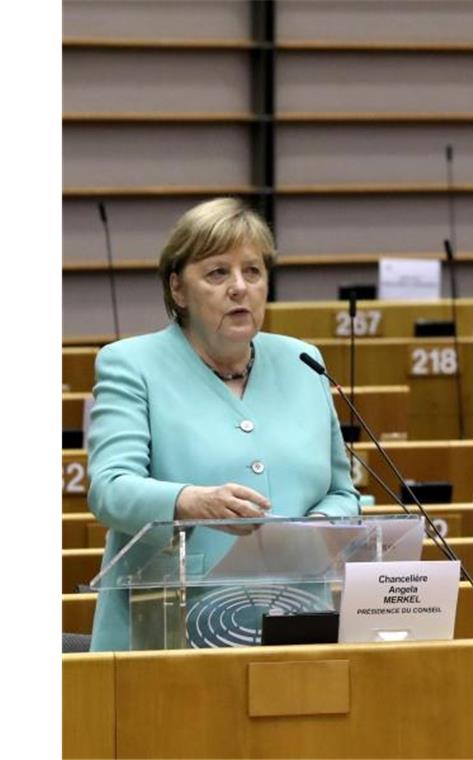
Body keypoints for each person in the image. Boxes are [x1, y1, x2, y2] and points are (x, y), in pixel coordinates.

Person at [86, 198, 360, 651]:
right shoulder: (131, 364)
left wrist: (313, 531)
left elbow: (341, 491)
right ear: (177, 289)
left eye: (252, 272)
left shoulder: (302, 360)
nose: (240, 288)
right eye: (218, 273)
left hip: (295, 627)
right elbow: (110, 491)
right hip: (166, 630)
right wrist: (191, 501)